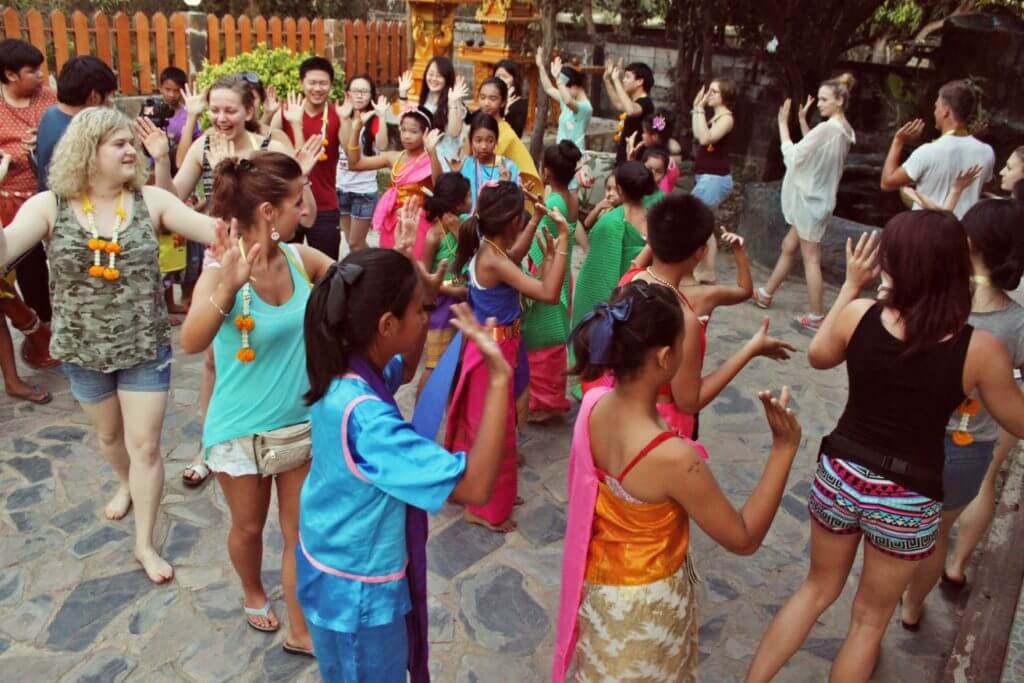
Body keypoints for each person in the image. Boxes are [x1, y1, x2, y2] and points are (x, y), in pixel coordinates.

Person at [745, 214, 1024, 682]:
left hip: (842, 474)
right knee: (868, 622)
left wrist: (851, 286)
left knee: (815, 589)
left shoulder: (860, 315)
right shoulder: (981, 349)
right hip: (909, 494)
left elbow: (818, 356)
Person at [0, 107, 220, 583]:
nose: (130, 150)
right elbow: (6, 247)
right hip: (82, 350)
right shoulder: (50, 205)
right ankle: (125, 484)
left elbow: (215, 233)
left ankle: (144, 543)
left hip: (143, 346)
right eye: (118, 143)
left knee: (146, 447)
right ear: (87, 150)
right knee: (110, 438)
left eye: (130, 143)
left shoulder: (150, 200)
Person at [552, 280, 802, 681]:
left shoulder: (594, 406)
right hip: (643, 612)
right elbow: (743, 537)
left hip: (600, 592)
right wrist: (784, 450)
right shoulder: (674, 458)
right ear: (667, 357)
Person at [296, 247, 511, 682]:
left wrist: (423, 281)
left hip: (331, 567)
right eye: (420, 311)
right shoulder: (371, 423)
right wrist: (500, 377)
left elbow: (405, 369)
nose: (426, 318)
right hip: (359, 595)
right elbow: (476, 487)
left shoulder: (346, 371)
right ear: (386, 325)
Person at [180, 152, 332, 656]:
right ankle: (251, 590)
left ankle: (301, 629)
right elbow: (191, 340)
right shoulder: (222, 270)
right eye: (296, 199)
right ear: (268, 210)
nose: (304, 208)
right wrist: (228, 285)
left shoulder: (300, 259)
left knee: (299, 533)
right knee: (247, 528)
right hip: (239, 434)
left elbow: (351, 282)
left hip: (299, 427)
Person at [142, 76, 318, 491]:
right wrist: (163, 160)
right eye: (214, 110)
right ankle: (214, 442)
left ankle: (275, 418)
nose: (221, 118)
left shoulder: (270, 151)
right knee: (214, 359)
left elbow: (301, 214)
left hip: (269, 250)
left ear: (249, 112)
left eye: (230, 110)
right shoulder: (202, 147)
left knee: (261, 345)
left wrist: (302, 177)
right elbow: (168, 200)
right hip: (223, 255)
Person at [899, 198, 1024, 627]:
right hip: (970, 448)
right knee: (937, 536)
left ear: (967, 243)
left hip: (914, 437)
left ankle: (876, 613)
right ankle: (912, 608)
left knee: (899, 534)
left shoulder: (933, 300)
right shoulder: (1017, 322)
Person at [446, 181, 570, 531]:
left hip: (505, 346)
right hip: (493, 352)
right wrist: (563, 241)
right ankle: (481, 506)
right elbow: (547, 293)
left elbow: (513, 258)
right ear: (512, 221)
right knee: (494, 426)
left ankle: (488, 489)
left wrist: (534, 220)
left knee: (509, 419)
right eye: (524, 217)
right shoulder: (490, 258)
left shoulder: (492, 249)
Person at [617, 194, 791, 440]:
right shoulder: (683, 318)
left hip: (622, 407)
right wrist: (750, 349)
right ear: (701, 252)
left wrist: (661, 231)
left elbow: (642, 259)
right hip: (659, 423)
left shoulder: (628, 280)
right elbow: (689, 401)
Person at [752, 74, 857, 332]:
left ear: (840, 100)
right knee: (789, 246)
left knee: (810, 257)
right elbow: (816, 149)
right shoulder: (843, 130)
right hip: (817, 200)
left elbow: (797, 155)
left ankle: (817, 315)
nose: (819, 103)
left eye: (824, 99)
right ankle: (766, 293)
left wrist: (782, 125)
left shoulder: (829, 129)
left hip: (811, 201)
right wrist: (800, 121)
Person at [0, 38, 59, 397]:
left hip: (40, 200)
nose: (40, 75)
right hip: (4, 203)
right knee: (5, 279)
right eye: (32, 70)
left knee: (37, 271)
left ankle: (41, 338)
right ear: (9, 75)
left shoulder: (48, 99)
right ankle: (35, 333)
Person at [570, 161, 656, 396]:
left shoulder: (611, 222)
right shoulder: (655, 218)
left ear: (620, 189)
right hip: (645, 294)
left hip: (619, 294)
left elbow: (595, 274)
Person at [523, 140, 582, 422]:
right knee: (555, 334)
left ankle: (543, 402)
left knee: (540, 335)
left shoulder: (553, 201)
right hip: (563, 270)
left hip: (546, 270)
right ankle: (553, 397)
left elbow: (539, 241)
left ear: (546, 171)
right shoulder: (572, 198)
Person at [880, 80, 995, 219]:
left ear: (946, 111)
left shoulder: (928, 151)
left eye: (936, 107)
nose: (934, 112)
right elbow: (985, 189)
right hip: (963, 233)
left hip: (927, 232)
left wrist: (898, 141)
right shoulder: (987, 151)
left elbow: (887, 183)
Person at [271, 57, 342, 257]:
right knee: (285, 266)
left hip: (324, 206)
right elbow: (263, 141)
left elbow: (354, 158)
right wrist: (268, 114)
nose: (317, 88)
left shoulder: (337, 115)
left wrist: (352, 124)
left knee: (327, 271)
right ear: (302, 83)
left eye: (323, 83)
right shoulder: (286, 111)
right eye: (312, 82)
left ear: (331, 85)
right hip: (287, 203)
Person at [351, 106, 443, 259]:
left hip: (419, 224)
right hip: (392, 222)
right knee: (391, 267)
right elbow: (355, 164)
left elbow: (439, 185)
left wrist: (432, 152)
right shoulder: (393, 157)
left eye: (414, 132)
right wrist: (355, 131)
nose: (406, 136)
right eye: (403, 130)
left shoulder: (431, 159)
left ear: (426, 133)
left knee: (414, 269)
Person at [418, 172, 471, 397]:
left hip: (464, 302)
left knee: (456, 358)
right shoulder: (433, 236)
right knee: (434, 363)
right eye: (468, 196)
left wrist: (458, 231)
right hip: (441, 306)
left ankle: (449, 402)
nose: (472, 199)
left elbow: (474, 255)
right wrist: (451, 289)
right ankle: (422, 407)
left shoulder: (467, 224)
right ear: (457, 203)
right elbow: (423, 278)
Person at [690, 78, 736, 283]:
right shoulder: (714, 117)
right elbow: (698, 134)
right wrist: (697, 109)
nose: (709, 94)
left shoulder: (726, 119)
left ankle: (701, 269)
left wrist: (699, 110)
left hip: (715, 179)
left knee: (694, 220)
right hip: (706, 178)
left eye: (714, 92)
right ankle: (707, 271)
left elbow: (706, 139)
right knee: (705, 226)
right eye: (709, 90)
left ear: (724, 96)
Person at [336, 74, 388, 252]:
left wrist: (382, 117)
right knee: (351, 242)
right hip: (342, 187)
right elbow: (347, 147)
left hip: (364, 190)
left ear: (371, 95)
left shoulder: (374, 120)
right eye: (355, 91)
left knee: (355, 243)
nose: (359, 95)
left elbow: (382, 144)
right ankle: (365, 271)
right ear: (347, 93)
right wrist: (345, 120)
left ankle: (371, 271)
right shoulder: (341, 116)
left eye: (364, 91)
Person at [473, 77, 542, 196]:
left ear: (503, 102)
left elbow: (481, 162)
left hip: (525, 192)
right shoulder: (485, 126)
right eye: (483, 97)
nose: (486, 103)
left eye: (492, 98)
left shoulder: (504, 133)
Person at [398, 56, 468, 173]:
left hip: (445, 166)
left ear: (447, 78)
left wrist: (452, 102)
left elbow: (454, 131)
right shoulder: (423, 102)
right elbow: (406, 123)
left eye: (439, 75)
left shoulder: (454, 102)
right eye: (431, 74)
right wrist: (403, 94)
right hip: (422, 163)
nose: (434, 79)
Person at [459, 111, 520, 211]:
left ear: (496, 141)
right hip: (470, 223)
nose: (484, 146)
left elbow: (514, 203)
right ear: (471, 141)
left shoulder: (507, 167)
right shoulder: (467, 164)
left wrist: (506, 185)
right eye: (478, 140)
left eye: (490, 141)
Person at [535, 47, 592, 151]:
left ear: (574, 86)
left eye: (565, 87)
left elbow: (569, 102)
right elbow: (549, 88)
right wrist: (540, 66)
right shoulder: (566, 98)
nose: (562, 90)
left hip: (574, 154)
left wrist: (558, 79)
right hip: (560, 151)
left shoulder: (585, 107)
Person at [603, 60, 654, 165]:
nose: (624, 80)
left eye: (627, 77)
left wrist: (616, 80)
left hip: (634, 161)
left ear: (639, 81)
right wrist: (607, 80)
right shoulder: (635, 102)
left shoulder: (646, 102)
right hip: (624, 158)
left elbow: (631, 110)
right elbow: (618, 104)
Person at [493, 59, 528, 138]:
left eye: (505, 77)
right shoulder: (489, 99)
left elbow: (516, 133)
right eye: (497, 76)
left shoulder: (519, 103)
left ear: (514, 79)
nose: (500, 80)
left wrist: (505, 110)